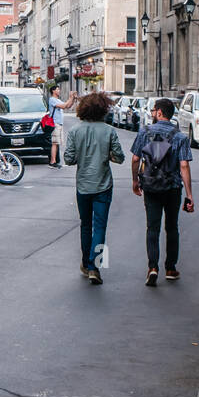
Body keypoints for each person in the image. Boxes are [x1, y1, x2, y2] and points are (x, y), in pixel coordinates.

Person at [131, 98, 194, 286]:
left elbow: (135, 158)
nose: (152, 113)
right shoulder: (180, 137)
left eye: (153, 111)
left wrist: (135, 181)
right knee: (172, 227)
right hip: (172, 187)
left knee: (153, 227)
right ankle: (170, 268)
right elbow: (184, 165)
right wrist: (189, 194)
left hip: (150, 186)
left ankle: (152, 267)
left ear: (159, 112)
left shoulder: (145, 132)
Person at [64, 91, 124, 285]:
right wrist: (107, 156)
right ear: (103, 109)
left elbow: (69, 158)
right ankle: (95, 267)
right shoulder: (109, 131)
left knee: (85, 224)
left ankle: (85, 262)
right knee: (100, 226)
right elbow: (120, 157)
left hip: (83, 185)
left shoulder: (75, 131)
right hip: (103, 185)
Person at [46, 82, 77, 168]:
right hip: (55, 123)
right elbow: (63, 106)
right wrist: (70, 97)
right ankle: (52, 162)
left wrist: (73, 99)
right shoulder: (52, 99)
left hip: (59, 123)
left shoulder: (58, 100)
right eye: (57, 89)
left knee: (57, 143)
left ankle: (55, 161)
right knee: (54, 143)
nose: (59, 91)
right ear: (53, 91)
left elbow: (68, 106)